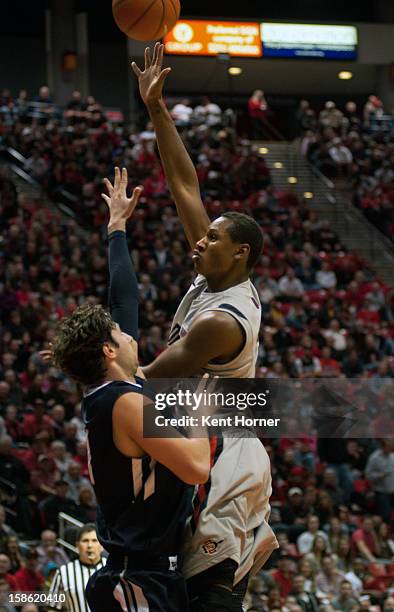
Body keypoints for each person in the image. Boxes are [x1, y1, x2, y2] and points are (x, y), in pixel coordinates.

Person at [130, 43, 278, 610]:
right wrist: (157, 107)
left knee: (207, 594)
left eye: (213, 238)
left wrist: (99, 364)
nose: (201, 239)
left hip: (227, 453)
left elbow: (152, 376)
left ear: (239, 253)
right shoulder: (213, 275)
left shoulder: (222, 320)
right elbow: (185, 186)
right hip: (206, 436)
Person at [52, 169, 211, 611]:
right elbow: (196, 466)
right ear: (107, 349)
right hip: (134, 580)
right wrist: (197, 401)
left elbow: (124, 299)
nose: (130, 334)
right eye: (119, 335)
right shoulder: (123, 402)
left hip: (146, 572)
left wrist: (116, 228)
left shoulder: (121, 388)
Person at [48, 524, 106, 612]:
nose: (90, 545)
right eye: (85, 541)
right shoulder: (63, 572)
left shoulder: (113, 569)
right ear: (77, 546)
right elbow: (53, 607)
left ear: (102, 546)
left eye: (94, 540)